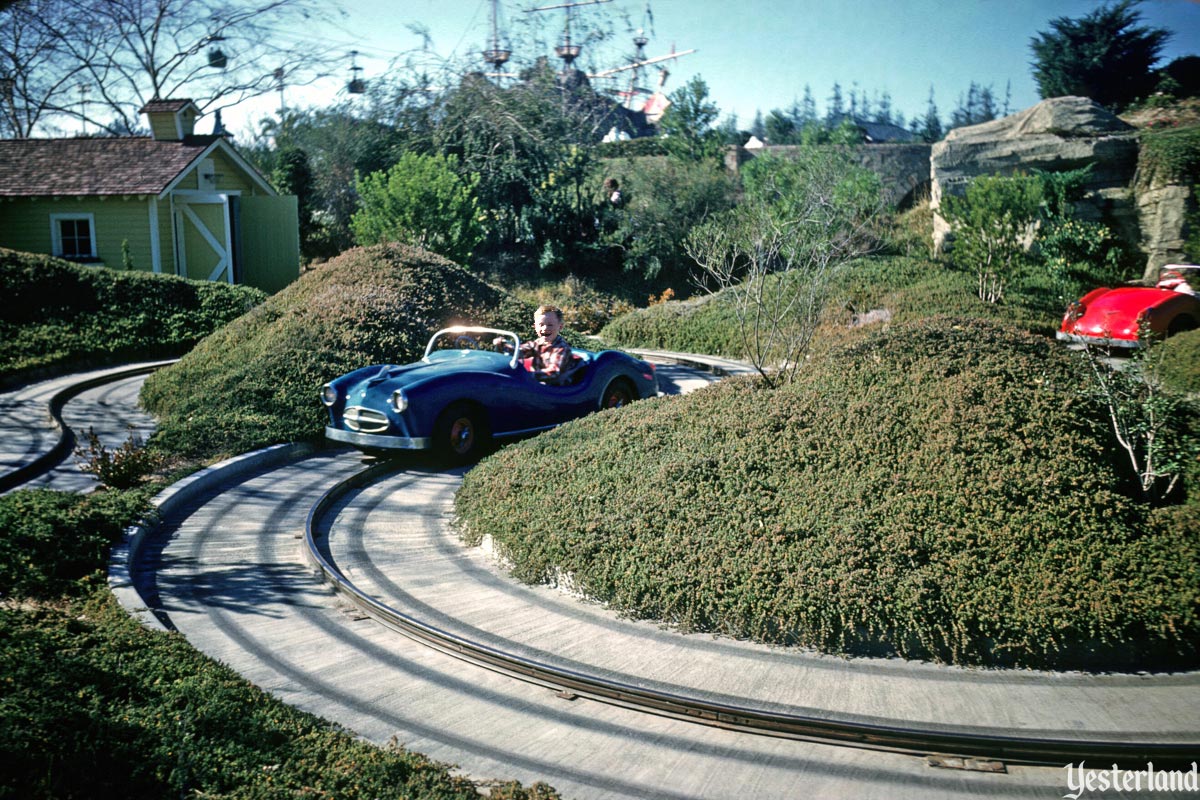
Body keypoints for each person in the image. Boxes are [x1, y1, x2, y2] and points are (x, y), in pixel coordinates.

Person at [495, 306, 573, 384]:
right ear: (535, 327)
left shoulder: (562, 348)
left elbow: (553, 372)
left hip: (554, 388)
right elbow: (519, 351)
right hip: (537, 383)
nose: (545, 328)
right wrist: (503, 345)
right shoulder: (537, 343)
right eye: (541, 325)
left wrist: (526, 375)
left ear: (560, 327)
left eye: (550, 325)